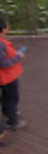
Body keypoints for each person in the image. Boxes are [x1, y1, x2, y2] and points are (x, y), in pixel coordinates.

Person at [0, 14, 27, 143]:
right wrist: (18, 56)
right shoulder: (0, 45)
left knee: (6, 97)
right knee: (11, 97)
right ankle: (13, 121)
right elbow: (4, 64)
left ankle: (8, 113)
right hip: (6, 77)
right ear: (3, 29)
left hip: (4, 78)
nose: (8, 27)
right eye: (7, 26)